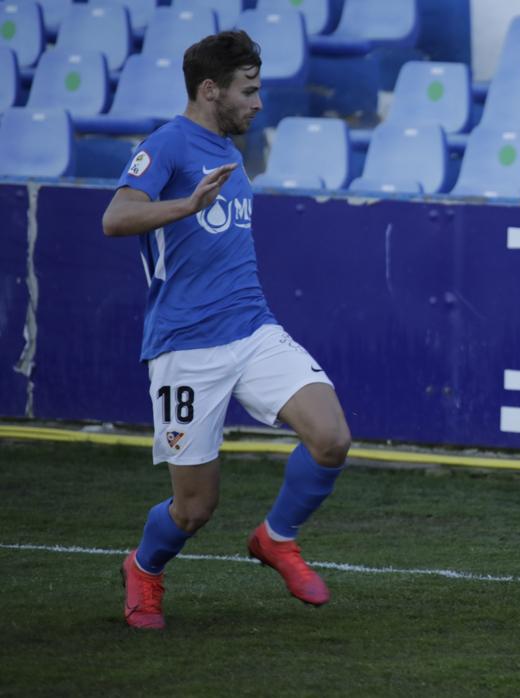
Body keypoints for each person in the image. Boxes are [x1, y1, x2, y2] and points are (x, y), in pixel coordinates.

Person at [102, 30, 352, 630]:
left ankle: (276, 539)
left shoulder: (230, 150)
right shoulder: (165, 146)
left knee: (331, 437)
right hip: (184, 345)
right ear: (210, 90)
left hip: (251, 327)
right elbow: (116, 218)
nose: (258, 103)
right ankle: (143, 569)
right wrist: (185, 206)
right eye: (249, 91)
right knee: (194, 509)